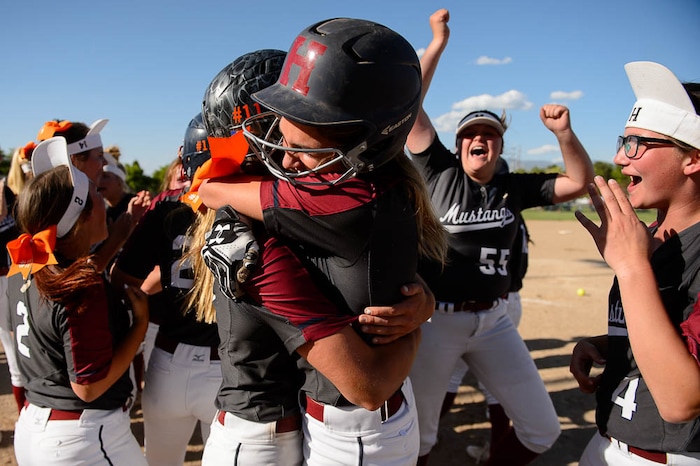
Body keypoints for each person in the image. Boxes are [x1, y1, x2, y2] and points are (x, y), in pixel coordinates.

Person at [198, 19, 447, 465]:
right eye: (277, 123)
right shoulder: (256, 229)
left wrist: (421, 302)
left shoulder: (342, 199)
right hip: (289, 425)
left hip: (328, 426)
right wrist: (415, 329)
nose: (284, 150)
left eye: (301, 120)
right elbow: (367, 384)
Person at [406, 9, 594, 465]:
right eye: (471, 133)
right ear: (457, 142)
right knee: (420, 437)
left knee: (543, 430)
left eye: (489, 134)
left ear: (501, 147)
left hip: (495, 321)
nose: (480, 140)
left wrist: (564, 134)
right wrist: (437, 44)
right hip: (437, 321)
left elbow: (579, 180)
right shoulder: (437, 169)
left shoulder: (515, 187)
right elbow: (408, 101)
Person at [570, 61, 700, 465]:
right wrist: (608, 343)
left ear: (692, 158)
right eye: (623, 140)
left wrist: (631, 268)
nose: (619, 156)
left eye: (636, 144)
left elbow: (683, 400)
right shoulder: (653, 235)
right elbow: (676, 332)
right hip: (610, 441)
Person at [7, 136, 148, 466]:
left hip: (35, 425)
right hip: (81, 434)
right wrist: (139, 325)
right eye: (96, 194)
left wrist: (116, 238)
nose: (103, 198)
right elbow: (88, 387)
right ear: (82, 217)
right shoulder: (81, 285)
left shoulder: (27, 265)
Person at [110, 113, 221, 466]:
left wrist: (148, 304)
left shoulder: (165, 206)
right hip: (229, 365)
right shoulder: (248, 202)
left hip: (169, 363)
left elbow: (121, 277)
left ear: (183, 155)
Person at [35, 119, 150, 275]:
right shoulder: (60, 207)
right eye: (99, 155)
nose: (104, 163)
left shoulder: (55, 198)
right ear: (75, 160)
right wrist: (119, 234)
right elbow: (75, 275)